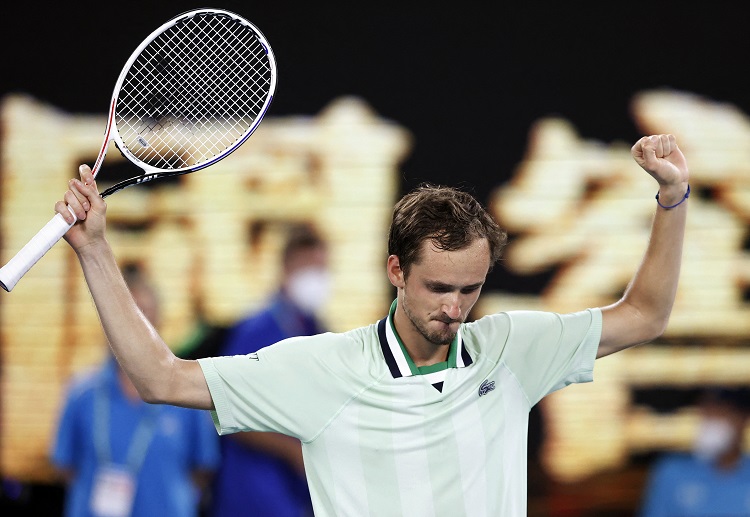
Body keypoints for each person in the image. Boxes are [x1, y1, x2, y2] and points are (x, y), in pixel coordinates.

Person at [54, 133, 689, 515]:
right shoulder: (324, 368)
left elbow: (645, 314)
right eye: (439, 287)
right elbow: (162, 378)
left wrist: (671, 198)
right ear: (396, 271)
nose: (454, 307)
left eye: (470, 289)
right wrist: (96, 251)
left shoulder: (512, 349)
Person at [50, 264, 221, 517]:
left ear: (158, 321)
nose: (134, 327)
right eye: (124, 315)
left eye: (144, 315)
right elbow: (65, 465)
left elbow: (203, 468)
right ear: (107, 320)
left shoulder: (187, 392)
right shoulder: (81, 392)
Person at [212, 223, 329, 517]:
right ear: (287, 266)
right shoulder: (256, 331)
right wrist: (292, 450)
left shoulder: (318, 332)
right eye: (309, 267)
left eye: (322, 268)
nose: (318, 278)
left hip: (295, 496)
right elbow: (228, 408)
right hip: (253, 494)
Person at [639, 388, 750, 517]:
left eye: (720, 413)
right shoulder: (672, 472)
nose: (711, 420)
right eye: (706, 413)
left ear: (742, 419)